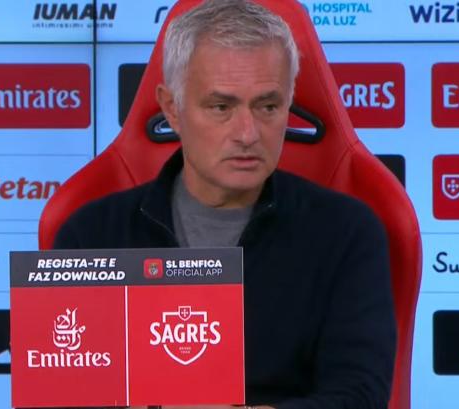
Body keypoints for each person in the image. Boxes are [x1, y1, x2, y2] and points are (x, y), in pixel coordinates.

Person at [54, 0, 396, 408]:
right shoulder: (89, 236)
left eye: (268, 107)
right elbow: (64, 395)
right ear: (172, 109)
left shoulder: (347, 232)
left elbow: (359, 396)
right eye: (221, 107)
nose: (248, 133)